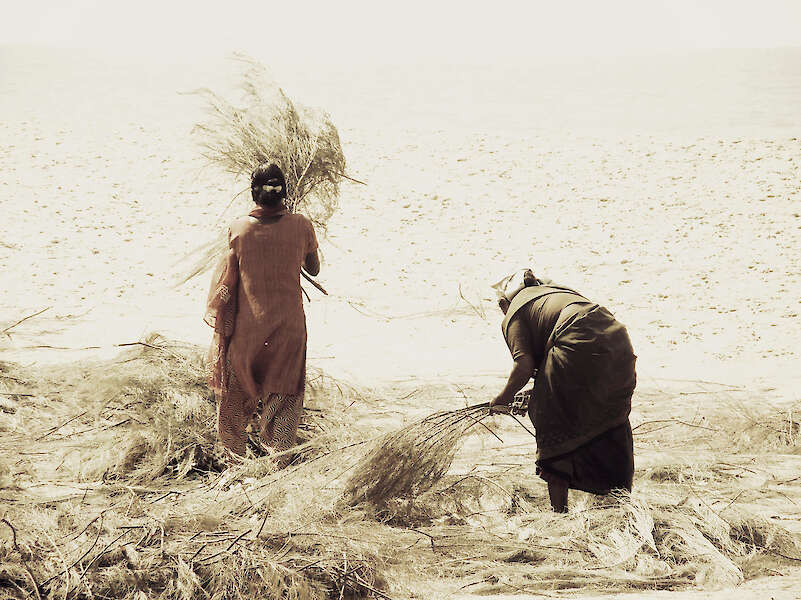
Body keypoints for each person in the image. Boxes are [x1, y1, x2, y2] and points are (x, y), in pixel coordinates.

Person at [489, 268, 636, 512]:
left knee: (550, 417)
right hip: (618, 343)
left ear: (505, 302)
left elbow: (523, 364)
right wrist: (537, 390)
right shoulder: (556, 292)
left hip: (576, 339)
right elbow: (558, 371)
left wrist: (502, 399)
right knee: (610, 414)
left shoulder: (514, 312)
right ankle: (621, 500)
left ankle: (559, 512)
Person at [205, 163, 320, 466]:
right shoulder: (302, 225)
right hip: (288, 332)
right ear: (286, 193)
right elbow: (313, 268)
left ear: (254, 193)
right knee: (283, 400)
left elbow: (228, 276)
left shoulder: (239, 229)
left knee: (233, 404)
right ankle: (278, 464)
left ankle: (235, 465)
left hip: (248, 333)